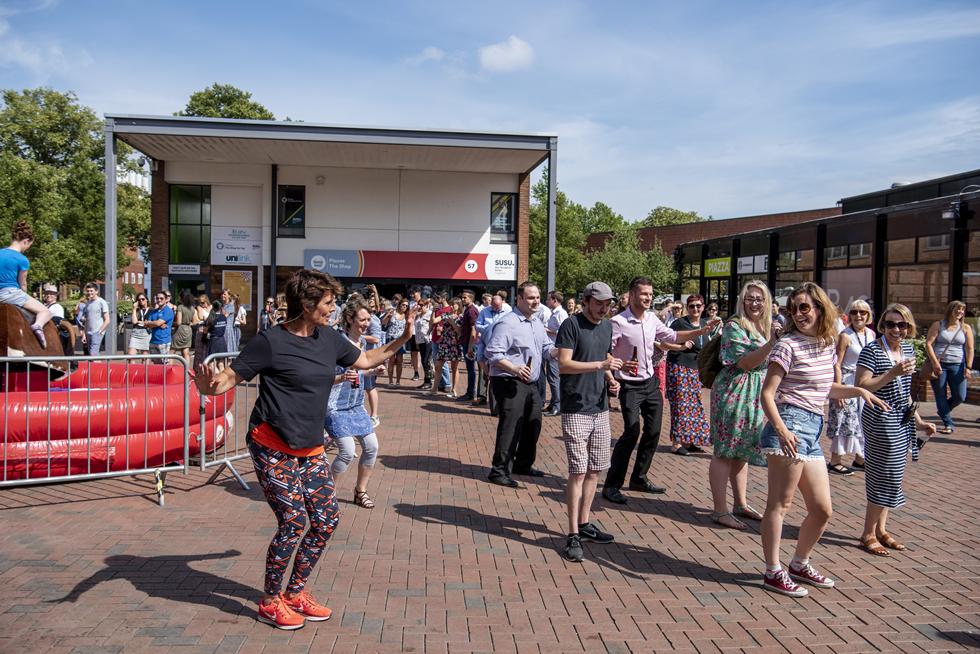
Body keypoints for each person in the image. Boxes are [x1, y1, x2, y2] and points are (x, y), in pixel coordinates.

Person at [194, 268, 417, 630]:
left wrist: (404, 337)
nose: (333, 308)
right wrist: (210, 388)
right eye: (328, 303)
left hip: (311, 448)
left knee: (326, 521)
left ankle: (295, 592)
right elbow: (230, 378)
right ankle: (270, 600)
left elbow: (366, 360)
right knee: (294, 521)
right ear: (308, 303)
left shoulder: (329, 338)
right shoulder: (270, 341)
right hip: (272, 446)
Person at [758, 282, 888, 597]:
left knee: (822, 510)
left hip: (813, 429)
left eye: (805, 307)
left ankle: (799, 563)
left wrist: (858, 390)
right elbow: (767, 394)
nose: (799, 313)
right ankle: (773, 570)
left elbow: (825, 389)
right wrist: (782, 429)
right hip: (788, 425)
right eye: (794, 308)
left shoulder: (828, 343)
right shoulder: (787, 345)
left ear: (819, 309)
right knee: (781, 503)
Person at [602, 277, 719, 505]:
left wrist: (702, 330)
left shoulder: (652, 319)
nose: (648, 298)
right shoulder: (617, 322)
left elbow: (672, 337)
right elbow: (604, 352)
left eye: (650, 294)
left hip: (650, 382)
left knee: (654, 432)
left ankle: (639, 478)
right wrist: (613, 370)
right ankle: (611, 485)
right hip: (629, 385)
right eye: (644, 294)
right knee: (631, 433)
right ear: (633, 295)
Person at [855, 304, 937, 558]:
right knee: (882, 474)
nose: (896, 329)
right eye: (890, 324)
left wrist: (919, 421)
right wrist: (892, 372)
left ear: (908, 327)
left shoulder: (908, 349)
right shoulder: (871, 350)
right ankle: (867, 533)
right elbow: (862, 386)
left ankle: (881, 529)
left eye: (901, 325)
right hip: (879, 418)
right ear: (882, 325)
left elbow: (905, 394)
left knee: (894, 474)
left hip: (902, 419)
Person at [555, 281, 623, 562]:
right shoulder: (571, 325)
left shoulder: (607, 327)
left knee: (595, 469)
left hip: (600, 406)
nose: (604, 308)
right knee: (578, 471)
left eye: (608, 304)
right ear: (586, 301)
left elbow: (603, 356)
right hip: (576, 406)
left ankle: (584, 524)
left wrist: (611, 378)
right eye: (599, 303)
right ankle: (572, 533)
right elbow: (564, 364)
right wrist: (601, 366)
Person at [708, 280, 779, 530]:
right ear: (742, 300)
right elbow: (745, 363)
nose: (755, 303)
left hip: (757, 393)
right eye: (750, 298)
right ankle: (720, 510)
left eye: (759, 298)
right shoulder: (734, 326)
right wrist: (772, 343)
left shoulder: (769, 326)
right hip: (735, 390)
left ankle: (740, 504)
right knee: (725, 450)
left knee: (743, 449)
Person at [485, 282, 554, 488]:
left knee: (534, 422)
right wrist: (515, 369)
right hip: (509, 380)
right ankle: (499, 470)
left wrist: (562, 351)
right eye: (531, 298)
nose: (536, 301)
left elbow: (546, 348)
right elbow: (493, 353)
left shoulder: (536, 322)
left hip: (531, 380)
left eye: (538, 297)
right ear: (520, 299)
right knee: (511, 425)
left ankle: (523, 464)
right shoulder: (508, 323)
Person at [327, 301, 385, 509]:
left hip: (356, 406)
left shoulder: (363, 344)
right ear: (350, 319)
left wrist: (372, 371)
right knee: (347, 450)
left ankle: (360, 491)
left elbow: (358, 372)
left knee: (372, 447)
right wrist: (341, 377)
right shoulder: (337, 344)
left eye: (369, 319)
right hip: (334, 407)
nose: (367, 324)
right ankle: (327, 495)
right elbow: (322, 378)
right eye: (362, 320)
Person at [826, 299, 875, 474]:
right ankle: (835, 461)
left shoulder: (871, 334)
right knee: (844, 422)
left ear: (868, 315)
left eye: (862, 312)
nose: (858, 316)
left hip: (864, 382)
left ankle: (860, 458)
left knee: (862, 422)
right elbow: (837, 364)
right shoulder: (845, 335)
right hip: (847, 381)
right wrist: (838, 391)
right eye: (854, 312)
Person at [663, 294, 711, 455]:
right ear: (687, 307)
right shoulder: (679, 323)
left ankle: (690, 441)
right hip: (679, 367)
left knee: (695, 405)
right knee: (680, 405)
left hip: (696, 370)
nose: (695, 309)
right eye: (692, 306)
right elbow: (664, 342)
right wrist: (681, 347)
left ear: (703, 307)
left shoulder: (705, 324)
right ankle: (676, 443)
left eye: (698, 305)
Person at [0, 221, 52, 347]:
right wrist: (25, 295)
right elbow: (22, 283)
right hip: (12, 293)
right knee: (46, 312)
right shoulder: (22, 259)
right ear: (25, 241)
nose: (27, 248)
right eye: (29, 245)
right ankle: (37, 326)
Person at [925, 301, 974, 434]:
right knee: (940, 394)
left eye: (962, 310)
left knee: (960, 396)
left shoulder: (965, 328)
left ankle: (943, 410)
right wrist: (935, 363)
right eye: (957, 309)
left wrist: (968, 367)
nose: (960, 312)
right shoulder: (938, 325)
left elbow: (970, 348)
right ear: (950, 310)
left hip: (958, 365)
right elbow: (928, 344)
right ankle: (948, 423)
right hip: (939, 365)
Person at [431, 296, 463, 397]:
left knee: (454, 367)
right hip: (444, 343)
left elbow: (459, 331)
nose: (452, 306)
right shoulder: (446, 314)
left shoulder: (461, 317)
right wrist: (433, 311)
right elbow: (434, 321)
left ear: (459, 305)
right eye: (451, 304)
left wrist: (452, 322)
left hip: (454, 344)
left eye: (454, 304)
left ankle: (454, 390)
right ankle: (434, 389)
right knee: (438, 366)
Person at [543, 291, 568, 416]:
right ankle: (553, 403)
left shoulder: (561, 314)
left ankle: (558, 406)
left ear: (554, 300)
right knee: (551, 377)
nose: (547, 302)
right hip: (551, 349)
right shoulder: (555, 313)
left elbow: (564, 332)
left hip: (556, 349)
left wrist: (546, 330)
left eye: (548, 299)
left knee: (554, 378)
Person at [382, 297, 409, 386]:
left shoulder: (407, 315)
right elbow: (383, 323)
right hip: (391, 338)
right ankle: (390, 381)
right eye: (403, 305)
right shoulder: (393, 312)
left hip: (400, 340)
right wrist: (387, 315)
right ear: (399, 304)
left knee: (400, 361)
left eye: (406, 306)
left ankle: (398, 381)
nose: (404, 307)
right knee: (391, 360)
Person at [77, 282, 109, 355]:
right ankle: (100, 367)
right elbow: (86, 321)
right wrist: (84, 335)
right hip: (88, 333)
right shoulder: (88, 303)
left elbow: (107, 320)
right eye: (88, 291)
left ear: (96, 291)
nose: (89, 293)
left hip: (97, 332)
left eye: (91, 291)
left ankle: (98, 366)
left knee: (93, 354)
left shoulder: (101, 302)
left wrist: (100, 331)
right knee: (93, 354)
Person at [459, 290, 480, 401]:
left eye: (465, 297)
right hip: (466, 342)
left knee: (471, 369)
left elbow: (474, 330)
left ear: (471, 299)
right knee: (470, 369)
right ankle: (470, 392)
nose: (463, 299)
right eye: (462, 297)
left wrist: (470, 347)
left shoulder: (472, 311)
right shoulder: (467, 309)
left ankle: (470, 393)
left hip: (469, 344)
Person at [144, 291, 175, 362]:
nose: (159, 300)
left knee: (164, 365)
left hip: (163, 341)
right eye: (157, 298)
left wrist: (153, 323)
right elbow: (146, 325)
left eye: (161, 298)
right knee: (156, 365)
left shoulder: (168, 311)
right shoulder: (153, 312)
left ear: (166, 299)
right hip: (153, 341)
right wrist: (155, 324)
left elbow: (157, 323)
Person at [42, 284, 71, 355]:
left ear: (55, 295)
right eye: (47, 293)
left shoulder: (57, 307)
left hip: (54, 335)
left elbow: (57, 322)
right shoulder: (43, 306)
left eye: (51, 293)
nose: (48, 295)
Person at [413, 296, 434, 390]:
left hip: (428, 340)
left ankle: (429, 382)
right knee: (423, 361)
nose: (420, 307)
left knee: (426, 361)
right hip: (420, 341)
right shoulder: (418, 315)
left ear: (427, 305)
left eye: (422, 305)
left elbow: (434, 325)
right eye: (419, 305)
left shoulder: (430, 314)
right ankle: (426, 381)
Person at [172, 292, 195, 365]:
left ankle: (168, 370)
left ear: (182, 298)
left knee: (172, 351)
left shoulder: (180, 307)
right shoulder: (192, 308)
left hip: (180, 329)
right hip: (188, 329)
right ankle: (186, 371)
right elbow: (194, 322)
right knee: (186, 352)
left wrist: (171, 323)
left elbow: (178, 322)